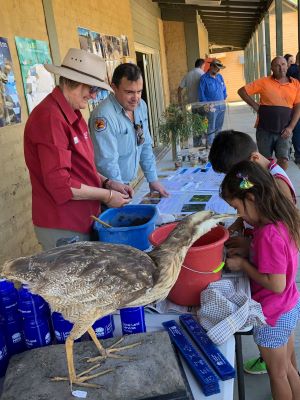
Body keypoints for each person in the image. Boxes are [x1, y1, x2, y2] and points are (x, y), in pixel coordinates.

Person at [24, 48, 133, 250]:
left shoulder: (73, 112)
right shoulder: (50, 118)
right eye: (92, 89)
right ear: (72, 82)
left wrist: (108, 183)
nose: (93, 95)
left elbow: (82, 166)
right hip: (63, 223)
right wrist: (107, 196)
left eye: (97, 90)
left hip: (84, 217)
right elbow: (61, 185)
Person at [221, 161, 300, 400]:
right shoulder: (281, 219)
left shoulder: (267, 234)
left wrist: (243, 264)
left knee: (277, 375)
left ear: (252, 198)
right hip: (289, 307)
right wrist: (251, 250)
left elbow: (276, 283)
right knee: (287, 368)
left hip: (272, 315)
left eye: (237, 207)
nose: (239, 215)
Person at [89, 63, 168, 197]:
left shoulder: (141, 106)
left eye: (139, 91)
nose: (136, 98)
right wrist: (120, 193)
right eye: (129, 92)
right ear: (114, 88)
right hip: (109, 189)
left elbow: (145, 143)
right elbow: (107, 161)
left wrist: (152, 178)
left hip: (128, 185)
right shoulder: (103, 116)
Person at [237, 56, 300, 171]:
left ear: (288, 66)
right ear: (272, 68)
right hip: (264, 129)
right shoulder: (263, 82)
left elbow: (298, 107)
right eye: (277, 65)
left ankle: (279, 183)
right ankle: (267, 184)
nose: (281, 68)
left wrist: (291, 128)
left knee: (283, 159)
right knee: (264, 160)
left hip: (285, 130)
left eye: (283, 64)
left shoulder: (296, 84)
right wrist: (255, 105)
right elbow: (242, 91)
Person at [198, 60, 227, 146]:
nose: (218, 70)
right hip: (211, 107)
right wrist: (206, 106)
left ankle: (217, 145)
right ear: (211, 66)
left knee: (219, 127)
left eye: (219, 69)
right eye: (217, 68)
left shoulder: (220, 77)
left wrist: (225, 96)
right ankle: (210, 146)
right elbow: (201, 94)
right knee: (211, 127)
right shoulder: (204, 78)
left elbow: (224, 88)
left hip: (221, 105)